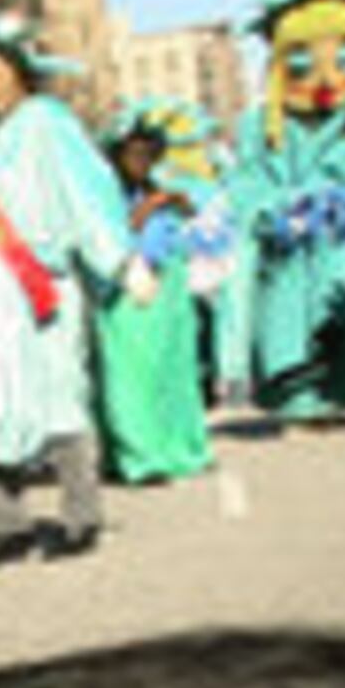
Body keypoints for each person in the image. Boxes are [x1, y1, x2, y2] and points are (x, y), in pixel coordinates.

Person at [0, 0, 149, 565]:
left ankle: (79, 513)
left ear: (11, 68)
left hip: (39, 290)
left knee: (56, 395)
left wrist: (122, 261)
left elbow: (87, 193)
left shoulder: (48, 124)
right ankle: (8, 520)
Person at [221, 0, 345, 426]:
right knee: (288, 321)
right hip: (290, 250)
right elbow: (245, 182)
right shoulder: (259, 125)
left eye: (339, 53)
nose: (322, 74)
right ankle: (297, 396)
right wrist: (273, 207)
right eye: (303, 58)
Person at [95, 107, 216, 483]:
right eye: (134, 154)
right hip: (127, 293)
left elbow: (192, 214)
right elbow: (106, 234)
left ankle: (180, 447)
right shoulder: (104, 191)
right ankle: (139, 456)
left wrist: (177, 204)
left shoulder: (157, 186)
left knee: (172, 373)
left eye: (149, 155)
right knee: (132, 378)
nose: (142, 162)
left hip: (167, 293)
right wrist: (148, 209)